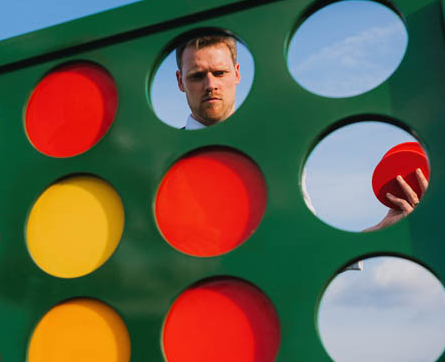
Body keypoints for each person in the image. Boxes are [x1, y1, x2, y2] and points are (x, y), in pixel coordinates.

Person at [174, 33, 426, 230]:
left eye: (220, 73)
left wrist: (382, 229)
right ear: (179, 82)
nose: (211, 85)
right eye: (197, 76)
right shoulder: (163, 162)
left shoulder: (278, 155)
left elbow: (308, 245)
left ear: (236, 74)